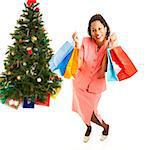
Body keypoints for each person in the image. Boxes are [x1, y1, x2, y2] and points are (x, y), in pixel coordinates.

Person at [72, 14, 117, 142]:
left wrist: (110, 48)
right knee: (81, 110)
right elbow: (79, 63)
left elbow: (104, 70)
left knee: (91, 112)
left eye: (99, 29)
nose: (97, 32)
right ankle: (88, 127)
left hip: (95, 87)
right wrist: (76, 44)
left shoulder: (110, 44)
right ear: (90, 32)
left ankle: (105, 127)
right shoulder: (86, 41)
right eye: (93, 30)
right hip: (79, 83)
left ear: (105, 28)